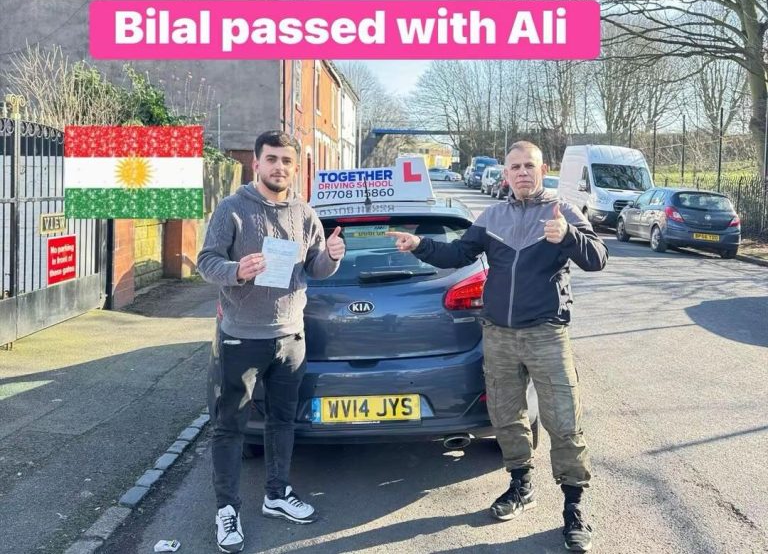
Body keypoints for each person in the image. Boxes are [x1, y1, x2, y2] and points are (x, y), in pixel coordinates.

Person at [386, 140, 607, 553]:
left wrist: (568, 237)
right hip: (499, 335)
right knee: (506, 416)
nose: (522, 173)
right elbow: (457, 253)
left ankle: (574, 507)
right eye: (515, 167)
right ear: (505, 174)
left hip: (546, 334)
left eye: (529, 166)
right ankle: (521, 485)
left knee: (563, 421)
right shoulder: (492, 216)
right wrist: (420, 246)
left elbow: (597, 258)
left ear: (543, 170)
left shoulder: (562, 212)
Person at [197, 130, 345, 553]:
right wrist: (237, 270)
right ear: (256, 163)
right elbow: (206, 262)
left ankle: (276, 495)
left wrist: (332, 256)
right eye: (272, 159)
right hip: (242, 337)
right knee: (230, 427)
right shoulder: (232, 209)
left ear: (295, 168)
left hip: (290, 337)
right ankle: (227, 509)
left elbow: (313, 269)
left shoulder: (305, 213)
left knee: (283, 422)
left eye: (287, 161)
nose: (280, 167)